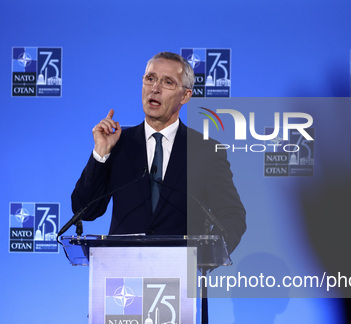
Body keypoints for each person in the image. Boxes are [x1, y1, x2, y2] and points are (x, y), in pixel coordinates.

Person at [71, 51, 246, 253]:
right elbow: (86, 210)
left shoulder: (206, 151)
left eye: (167, 82)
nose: (155, 89)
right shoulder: (119, 143)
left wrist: (204, 257)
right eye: (150, 79)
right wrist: (101, 154)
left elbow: (232, 216)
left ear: (186, 95)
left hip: (180, 274)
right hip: (122, 275)